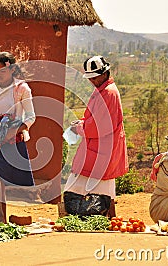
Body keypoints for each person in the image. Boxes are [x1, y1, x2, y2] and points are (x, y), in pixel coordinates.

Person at [63, 55, 128, 218]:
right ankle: (109, 217)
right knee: (103, 185)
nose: (93, 81)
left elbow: (100, 125)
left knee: (81, 184)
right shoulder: (103, 91)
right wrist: (83, 123)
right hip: (98, 145)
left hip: (102, 146)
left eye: (95, 77)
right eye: (91, 78)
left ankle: (100, 216)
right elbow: (96, 119)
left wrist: (80, 127)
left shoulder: (109, 93)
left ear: (105, 73)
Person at [0, 51, 36, 222]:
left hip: (12, 140)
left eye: (2, 71)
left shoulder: (21, 89)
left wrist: (15, 131)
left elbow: (31, 117)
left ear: (11, 70)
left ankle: (0, 215)